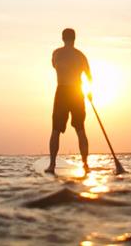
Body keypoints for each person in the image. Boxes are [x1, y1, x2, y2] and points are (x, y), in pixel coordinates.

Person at [46, 27, 92, 173]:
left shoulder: (56, 53)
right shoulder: (81, 56)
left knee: (55, 130)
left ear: (62, 38)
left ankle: (52, 165)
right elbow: (89, 78)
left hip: (62, 91)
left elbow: (54, 66)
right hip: (77, 93)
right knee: (80, 129)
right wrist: (89, 93)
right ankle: (85, 165)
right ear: (75, 38)